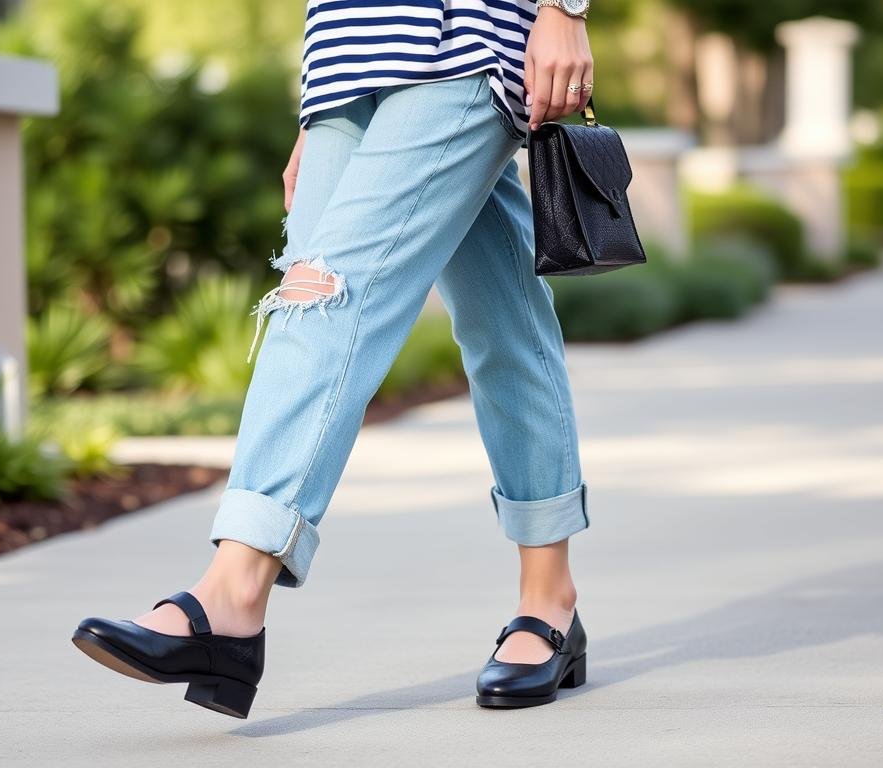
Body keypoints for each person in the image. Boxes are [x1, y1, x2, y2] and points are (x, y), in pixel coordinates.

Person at [72, 0, 595, 718]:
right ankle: (552, 600)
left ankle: (234, 593)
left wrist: (564, 8)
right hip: (349, 59)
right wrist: (319, 97)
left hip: (462, 43)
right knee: (504, 323)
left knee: (321, 300)